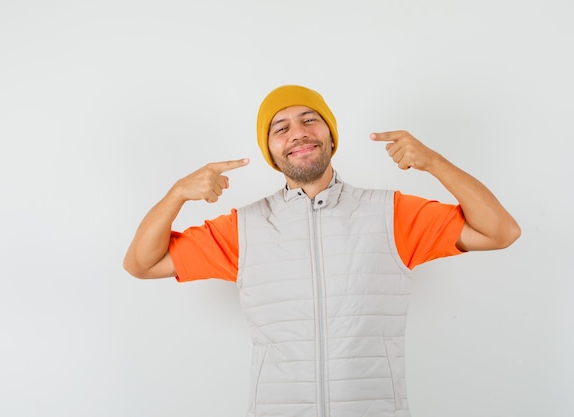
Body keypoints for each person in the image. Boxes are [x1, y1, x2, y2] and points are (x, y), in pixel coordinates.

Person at [123, 85, 521, 417]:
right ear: (270, 150)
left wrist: (434, 162)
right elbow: (141, 264)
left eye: (309, 119)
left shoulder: (391, 214)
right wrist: (176, 194)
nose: (297, 132)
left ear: (331, 135)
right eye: (281, 127)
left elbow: (502, 231)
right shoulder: (242, 229)